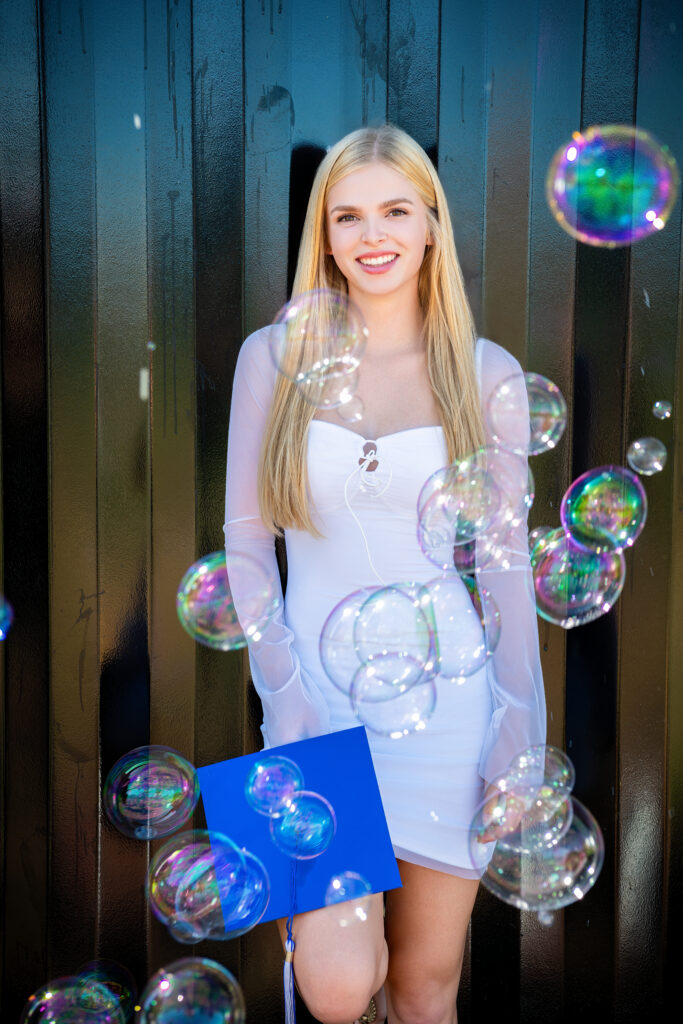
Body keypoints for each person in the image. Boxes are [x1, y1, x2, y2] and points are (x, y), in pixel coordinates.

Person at [224, 124, 545, 1024]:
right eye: (348, 215)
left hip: (451, 709)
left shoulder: (486, 376)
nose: (373, 235)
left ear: (432, 227)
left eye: (396, 211)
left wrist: (516, 729)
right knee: (332, 987)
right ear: (322, 236)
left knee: (423, 989)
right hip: (313, 703)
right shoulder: (273, 358)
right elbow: (245, 551)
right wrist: (282, 697)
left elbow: (506, 576)